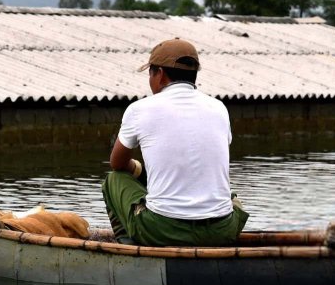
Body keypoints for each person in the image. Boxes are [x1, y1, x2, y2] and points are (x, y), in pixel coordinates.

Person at [102, 38, 249, 246]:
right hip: (222, 230)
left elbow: (117, 164)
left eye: (150, 73)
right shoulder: (219, 108)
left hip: (163, 231)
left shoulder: (139, 110)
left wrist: (136, 169)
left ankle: (129, 244)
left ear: (160, 75)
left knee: (113, 180)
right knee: (232, 200)